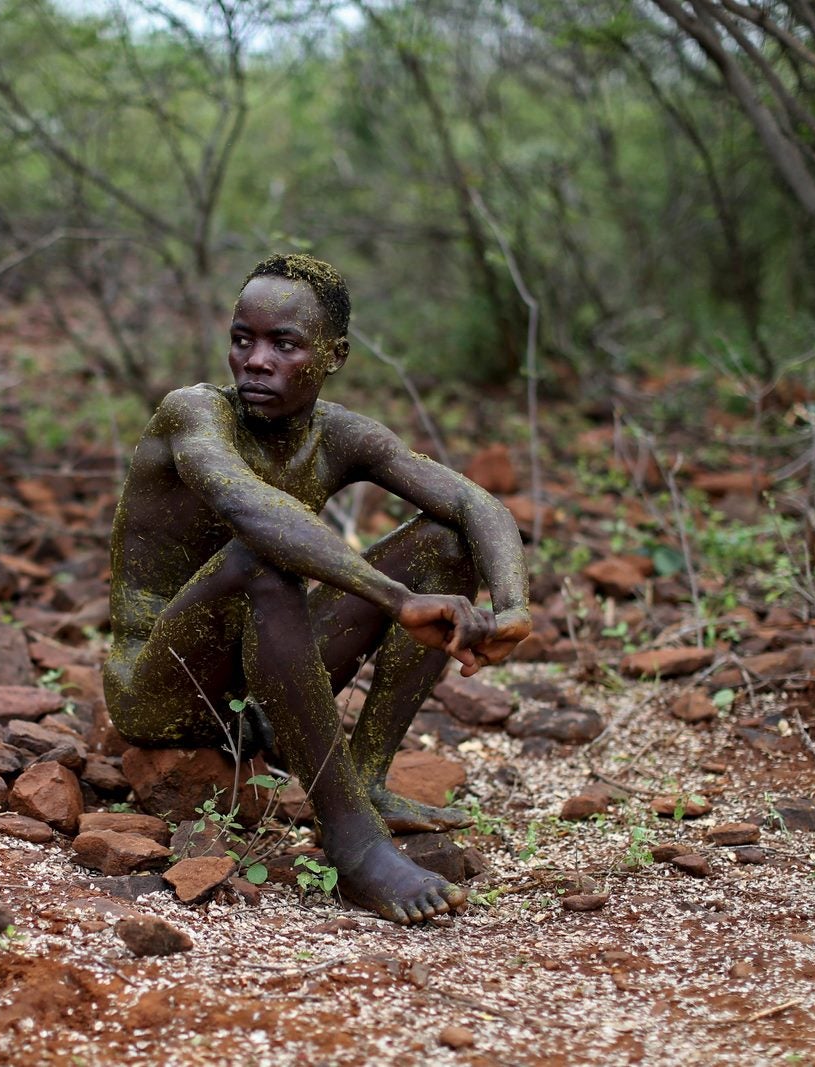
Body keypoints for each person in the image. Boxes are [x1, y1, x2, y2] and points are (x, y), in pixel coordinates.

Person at [104, 253, 531, 925]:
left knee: (445, 542)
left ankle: (365, 777)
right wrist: (396, 599)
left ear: (334, 356)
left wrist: (512, 607)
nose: (256, 361)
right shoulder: (193, 413)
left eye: (284, 343)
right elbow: (252, 510)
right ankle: (353, 842)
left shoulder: (339, 435)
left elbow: (475, 503)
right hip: (163, 691)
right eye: (242, 339)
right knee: (260, 557)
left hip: (258, 694)